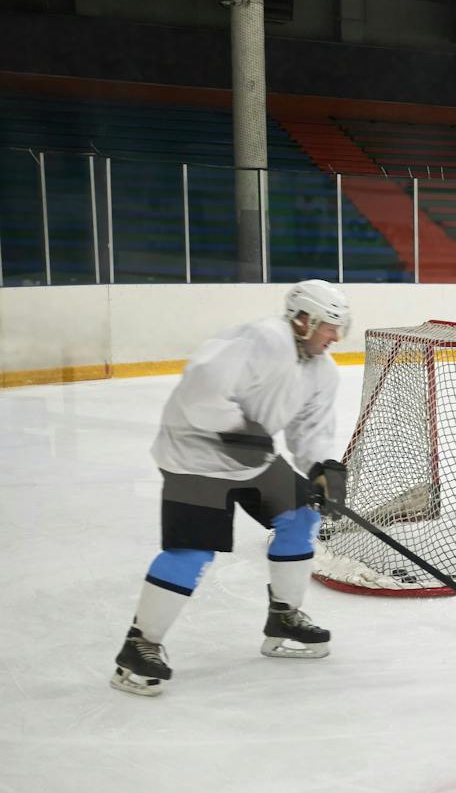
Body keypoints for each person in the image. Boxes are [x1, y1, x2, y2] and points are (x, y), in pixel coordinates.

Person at [109, 280, 351, 696]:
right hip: (195, 456)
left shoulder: (321, 371)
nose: (335, 337)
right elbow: (200, 387)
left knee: (300, 513)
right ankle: (139, 645)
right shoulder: (262, 339)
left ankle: (284, 616)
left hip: (249, 458)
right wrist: (236, 429)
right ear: (304, 319)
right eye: (330, 326)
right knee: (192, 551)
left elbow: (311, 430)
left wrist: (322, 468)